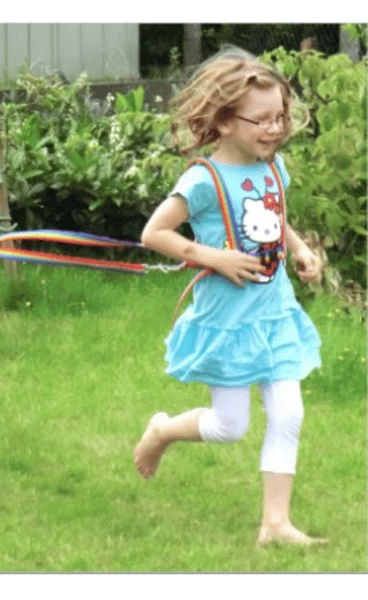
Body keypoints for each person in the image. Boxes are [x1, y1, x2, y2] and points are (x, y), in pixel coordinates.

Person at [133, 49, 327, 545]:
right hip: (229, 321)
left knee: (289, 413)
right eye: (262, 120)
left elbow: (277, 219)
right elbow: (154, 233)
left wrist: (301, 250)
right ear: (223, 121)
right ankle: (162, 430)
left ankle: (275, 525)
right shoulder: (203, 180)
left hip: (275, 313)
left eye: (280, 117)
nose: (274, 128)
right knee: (229, 426)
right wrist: (214, 258)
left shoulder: (273, 168)